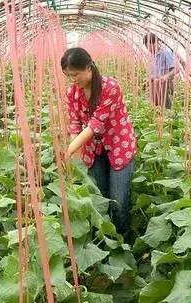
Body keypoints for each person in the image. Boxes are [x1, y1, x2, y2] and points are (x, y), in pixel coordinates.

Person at [62, 47, 137, 240]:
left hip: (119, 147)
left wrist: (68, 151)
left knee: (118, 201)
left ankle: (122, 241)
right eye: (69, 76)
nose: (73, 80)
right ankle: (106, 241)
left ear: (88, 68)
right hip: (93, 150)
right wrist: (75, 159)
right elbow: (74, 125)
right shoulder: (73, 93)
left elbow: (95, 125)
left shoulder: (110, 87)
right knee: (100, 199)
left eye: (75, 74)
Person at [143, 33, 177, 110]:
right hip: (155, 87)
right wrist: (148, 82)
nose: (149, 49)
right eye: (147, 47)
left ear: (156, 43)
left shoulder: (166, 53)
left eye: (150, 46)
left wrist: (166, 76)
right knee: (155, 110)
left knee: (166, 109)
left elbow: (176, 69)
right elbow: (154, 74)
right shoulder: (152, 56)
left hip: (165, 86)